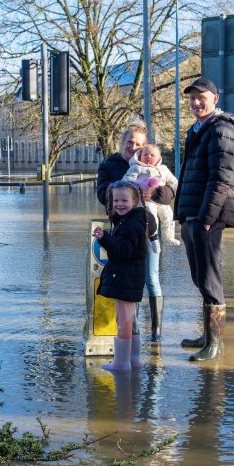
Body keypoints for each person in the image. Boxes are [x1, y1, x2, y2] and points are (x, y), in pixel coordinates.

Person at [173, 77, 234, 361]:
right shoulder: (197, 130)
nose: (195, 102)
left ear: (215, 98)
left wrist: (205, 218)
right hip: (193, 214)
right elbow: (190, 174)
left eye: (201, 97)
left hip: (207, 216)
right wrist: (182, 216)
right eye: (191, 98)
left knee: (210, 279)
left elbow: (221, 178)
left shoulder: (222, 129)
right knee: (200, 277)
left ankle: (215, 344)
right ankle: (207, 335)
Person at [97, 122, 172, 343]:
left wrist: (154, 191)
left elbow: (170, 193)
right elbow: (102, 193)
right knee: (126, 277)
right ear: (122, 142)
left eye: (138, 144)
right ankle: (133, 328)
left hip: (149, 228)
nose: (133, 147)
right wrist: (125, 191)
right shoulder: (110, 165)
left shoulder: (154, 164)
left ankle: (157, 328)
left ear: (144, 146)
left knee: (151, 276)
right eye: (129, 142)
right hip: (124, 230)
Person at [92, 179, 153, 371]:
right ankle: (133, 360)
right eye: (116, 200)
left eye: (124, 200)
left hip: (125, 275)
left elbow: (124, 250)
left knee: (123, 319)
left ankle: (121, 362)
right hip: (129, 275)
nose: (119, 204)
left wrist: (105, 238)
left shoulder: (131, 224)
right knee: (129, 318)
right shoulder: (132, 220)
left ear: (134, 201)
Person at [123, 144, 180, 247]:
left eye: (152, 155)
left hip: (160, 200)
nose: (148, 157)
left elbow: (173, 182)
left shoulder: (163, 169)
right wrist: (138, 190)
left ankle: (169, 237)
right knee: (152, 218)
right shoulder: (136, 167)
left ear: (158, 158)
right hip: (146, 200)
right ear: (139, 156)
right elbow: (127, 181)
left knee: (169, 216)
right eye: (145, 154)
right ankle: (153, 239)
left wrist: (179, 194)